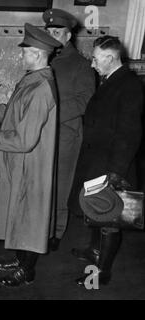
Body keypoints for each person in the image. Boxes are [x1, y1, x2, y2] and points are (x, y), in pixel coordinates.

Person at [0, 23, 61, 287]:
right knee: (20, 214)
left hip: (30, 164)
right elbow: (12, 112)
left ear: (38, 54)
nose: (21, 56)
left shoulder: (41, 88)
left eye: (25, 52)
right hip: (19, 163)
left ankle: (27, 271)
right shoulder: (33, 80)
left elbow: (24, 139)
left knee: (30, 216)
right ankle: (20, 260)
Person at [68, 36, 143, 286]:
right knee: (96, 211)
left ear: (110, 58)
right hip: (98, 160)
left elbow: (129, 133)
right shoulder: (111, 80)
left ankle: (101, 274)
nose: (92, 64)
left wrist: (115, 173)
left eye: (96, 58)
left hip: (111, 165)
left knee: (110, 219)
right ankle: (93, 251)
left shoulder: (130, 85)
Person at [43, 9, 96, 251]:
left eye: (57, 32)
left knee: (61, 185)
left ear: (68, 36)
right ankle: (41, 228)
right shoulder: (45, 59)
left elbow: (85, 101)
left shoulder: (81, 65)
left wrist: (53, 113)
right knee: (43, 184)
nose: (52, 36)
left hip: (66, 134)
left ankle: (56, 232)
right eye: (49, 31)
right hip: (42, 133)